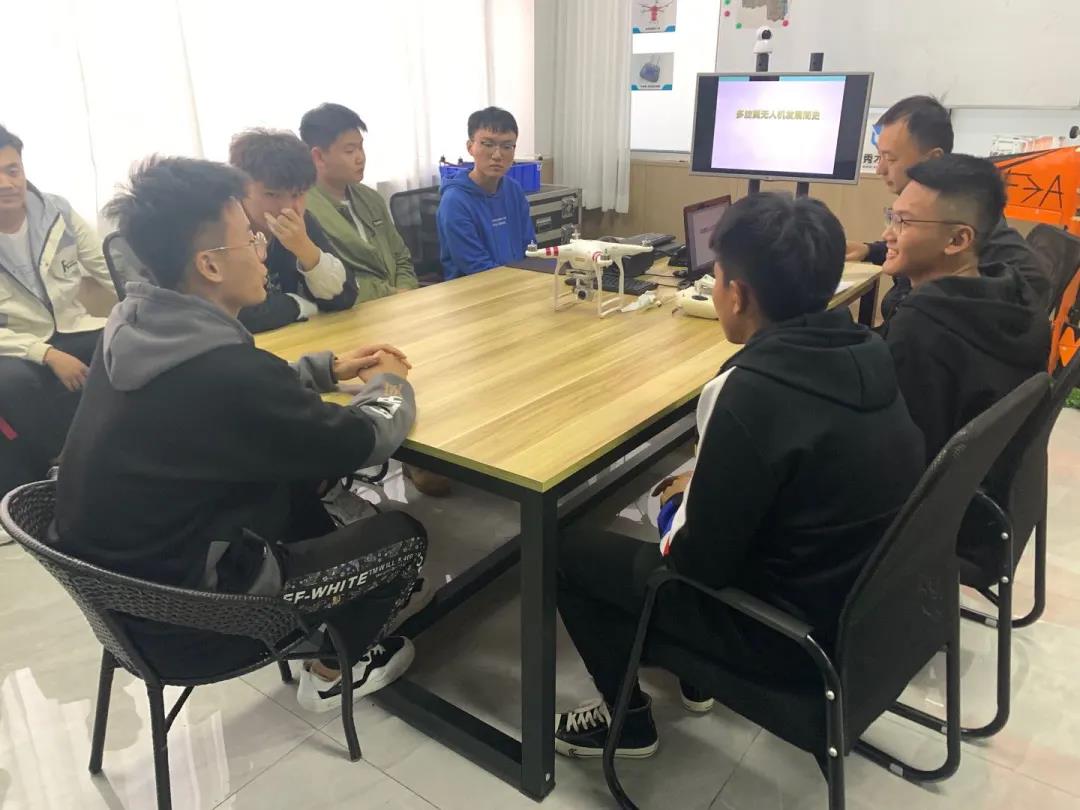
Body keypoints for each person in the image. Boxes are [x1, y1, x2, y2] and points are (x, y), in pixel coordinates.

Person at [553, 193, 925, 759]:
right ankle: (693, 682)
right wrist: (704, 485)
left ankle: (627, 722)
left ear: (737, 294)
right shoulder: (867, 348)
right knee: (681, 497)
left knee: (565, 549)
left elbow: (696, 563)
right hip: (859, 611)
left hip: (784, 640)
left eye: (718, 276)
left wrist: (681, 504)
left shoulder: (748, 389)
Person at [54, 156, 426, 711]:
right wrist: (391, 383)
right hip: (198, 619)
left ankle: (328, 602)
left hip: (125, 596)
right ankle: (332, 671)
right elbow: (363, 439)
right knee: (403, 536)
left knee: (299, 484)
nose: (262, 250)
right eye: (250, 238)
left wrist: (324, 370)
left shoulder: (134, 323)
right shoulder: (224, 374)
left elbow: (229, 395)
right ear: (209, 264)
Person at [880, 153, 1050, 464]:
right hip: (980, 479)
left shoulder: (922, 327)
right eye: (891, 216)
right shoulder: (1014, 295)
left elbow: (898, 456)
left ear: (958, 239)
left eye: (904, 221)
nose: (887, 234)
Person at [845, 96, 1049, 320]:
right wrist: (870, 250)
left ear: (933, 159)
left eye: (890, 159)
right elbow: (925, 248)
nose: (879, 169)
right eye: (879, 156)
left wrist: (957, 321)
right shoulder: (933, 217)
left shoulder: (967, 216)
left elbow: (1034, 280)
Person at [0, 124, 114, 497]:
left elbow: (108, 269)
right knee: (12, 384)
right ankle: (59, 467)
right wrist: (46, 354)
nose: (6, 183)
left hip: (73, 325)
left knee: (126, 342)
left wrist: (150, 310)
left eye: (12, 170)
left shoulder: (56, 213)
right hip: (14, 346)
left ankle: (129, 450)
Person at [228, 128, 357, 333]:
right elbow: (235, 316)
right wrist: (300, 305)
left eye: (297, 194)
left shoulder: (301, 221)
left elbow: (345, 296)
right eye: (272, 195)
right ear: (240, 190)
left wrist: (305, 248)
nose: (288, 208)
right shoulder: (223, 230)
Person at [299, 103, 418, 303]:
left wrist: (406, 291)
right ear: (318, 157)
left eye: (361, 147)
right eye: (349, 151)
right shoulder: (305, 210)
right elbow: (341, 282)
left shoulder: (371, 198)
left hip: (401, 303)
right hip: (354, 313)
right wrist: (393, 295)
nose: (360, 158)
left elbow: (401, 257)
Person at [436, 107, 536, 280]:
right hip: (475, 289)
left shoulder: (513, 190)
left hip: (517, 283)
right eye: (488, 145)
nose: (497, 155)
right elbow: (476, 267)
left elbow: (529, 248)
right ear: (470, 147)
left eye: (507, 146)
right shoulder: (455, 201)